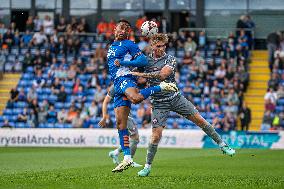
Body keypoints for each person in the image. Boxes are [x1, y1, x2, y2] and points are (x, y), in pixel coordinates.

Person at [130, 33, 235, 177]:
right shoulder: (145, 61)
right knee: (155, 136)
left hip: (175, 97)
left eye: (163, 45)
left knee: (200, 119)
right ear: (152, 46)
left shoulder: (170, 59)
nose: (161, 48)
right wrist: (131, 73)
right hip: (159, 103)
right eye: (158, 46)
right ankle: (147, 167)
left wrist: (141, 75)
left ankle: (222, 144)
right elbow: (138, 78)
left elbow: (162, 75)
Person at [107, 19, 178, 173]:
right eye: (121, 28)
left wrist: (125, 63)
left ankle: (161, 86)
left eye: (127, 29)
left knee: (136, 98)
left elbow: (143, 60)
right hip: (117, 83)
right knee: (120, 124)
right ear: (115, 29)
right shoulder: (112, 46)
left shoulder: (129, 44)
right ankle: (127, 158)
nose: (123, 31)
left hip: (126, 79)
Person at [98, 85, 142, 167]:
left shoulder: (128, 82)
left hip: (128, 112)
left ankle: (115, 153)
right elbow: (105, 102)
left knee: (130, 139)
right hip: (123, 113)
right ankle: (129, 161)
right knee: (135, 138)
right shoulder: (116, 86)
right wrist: (104, 117)